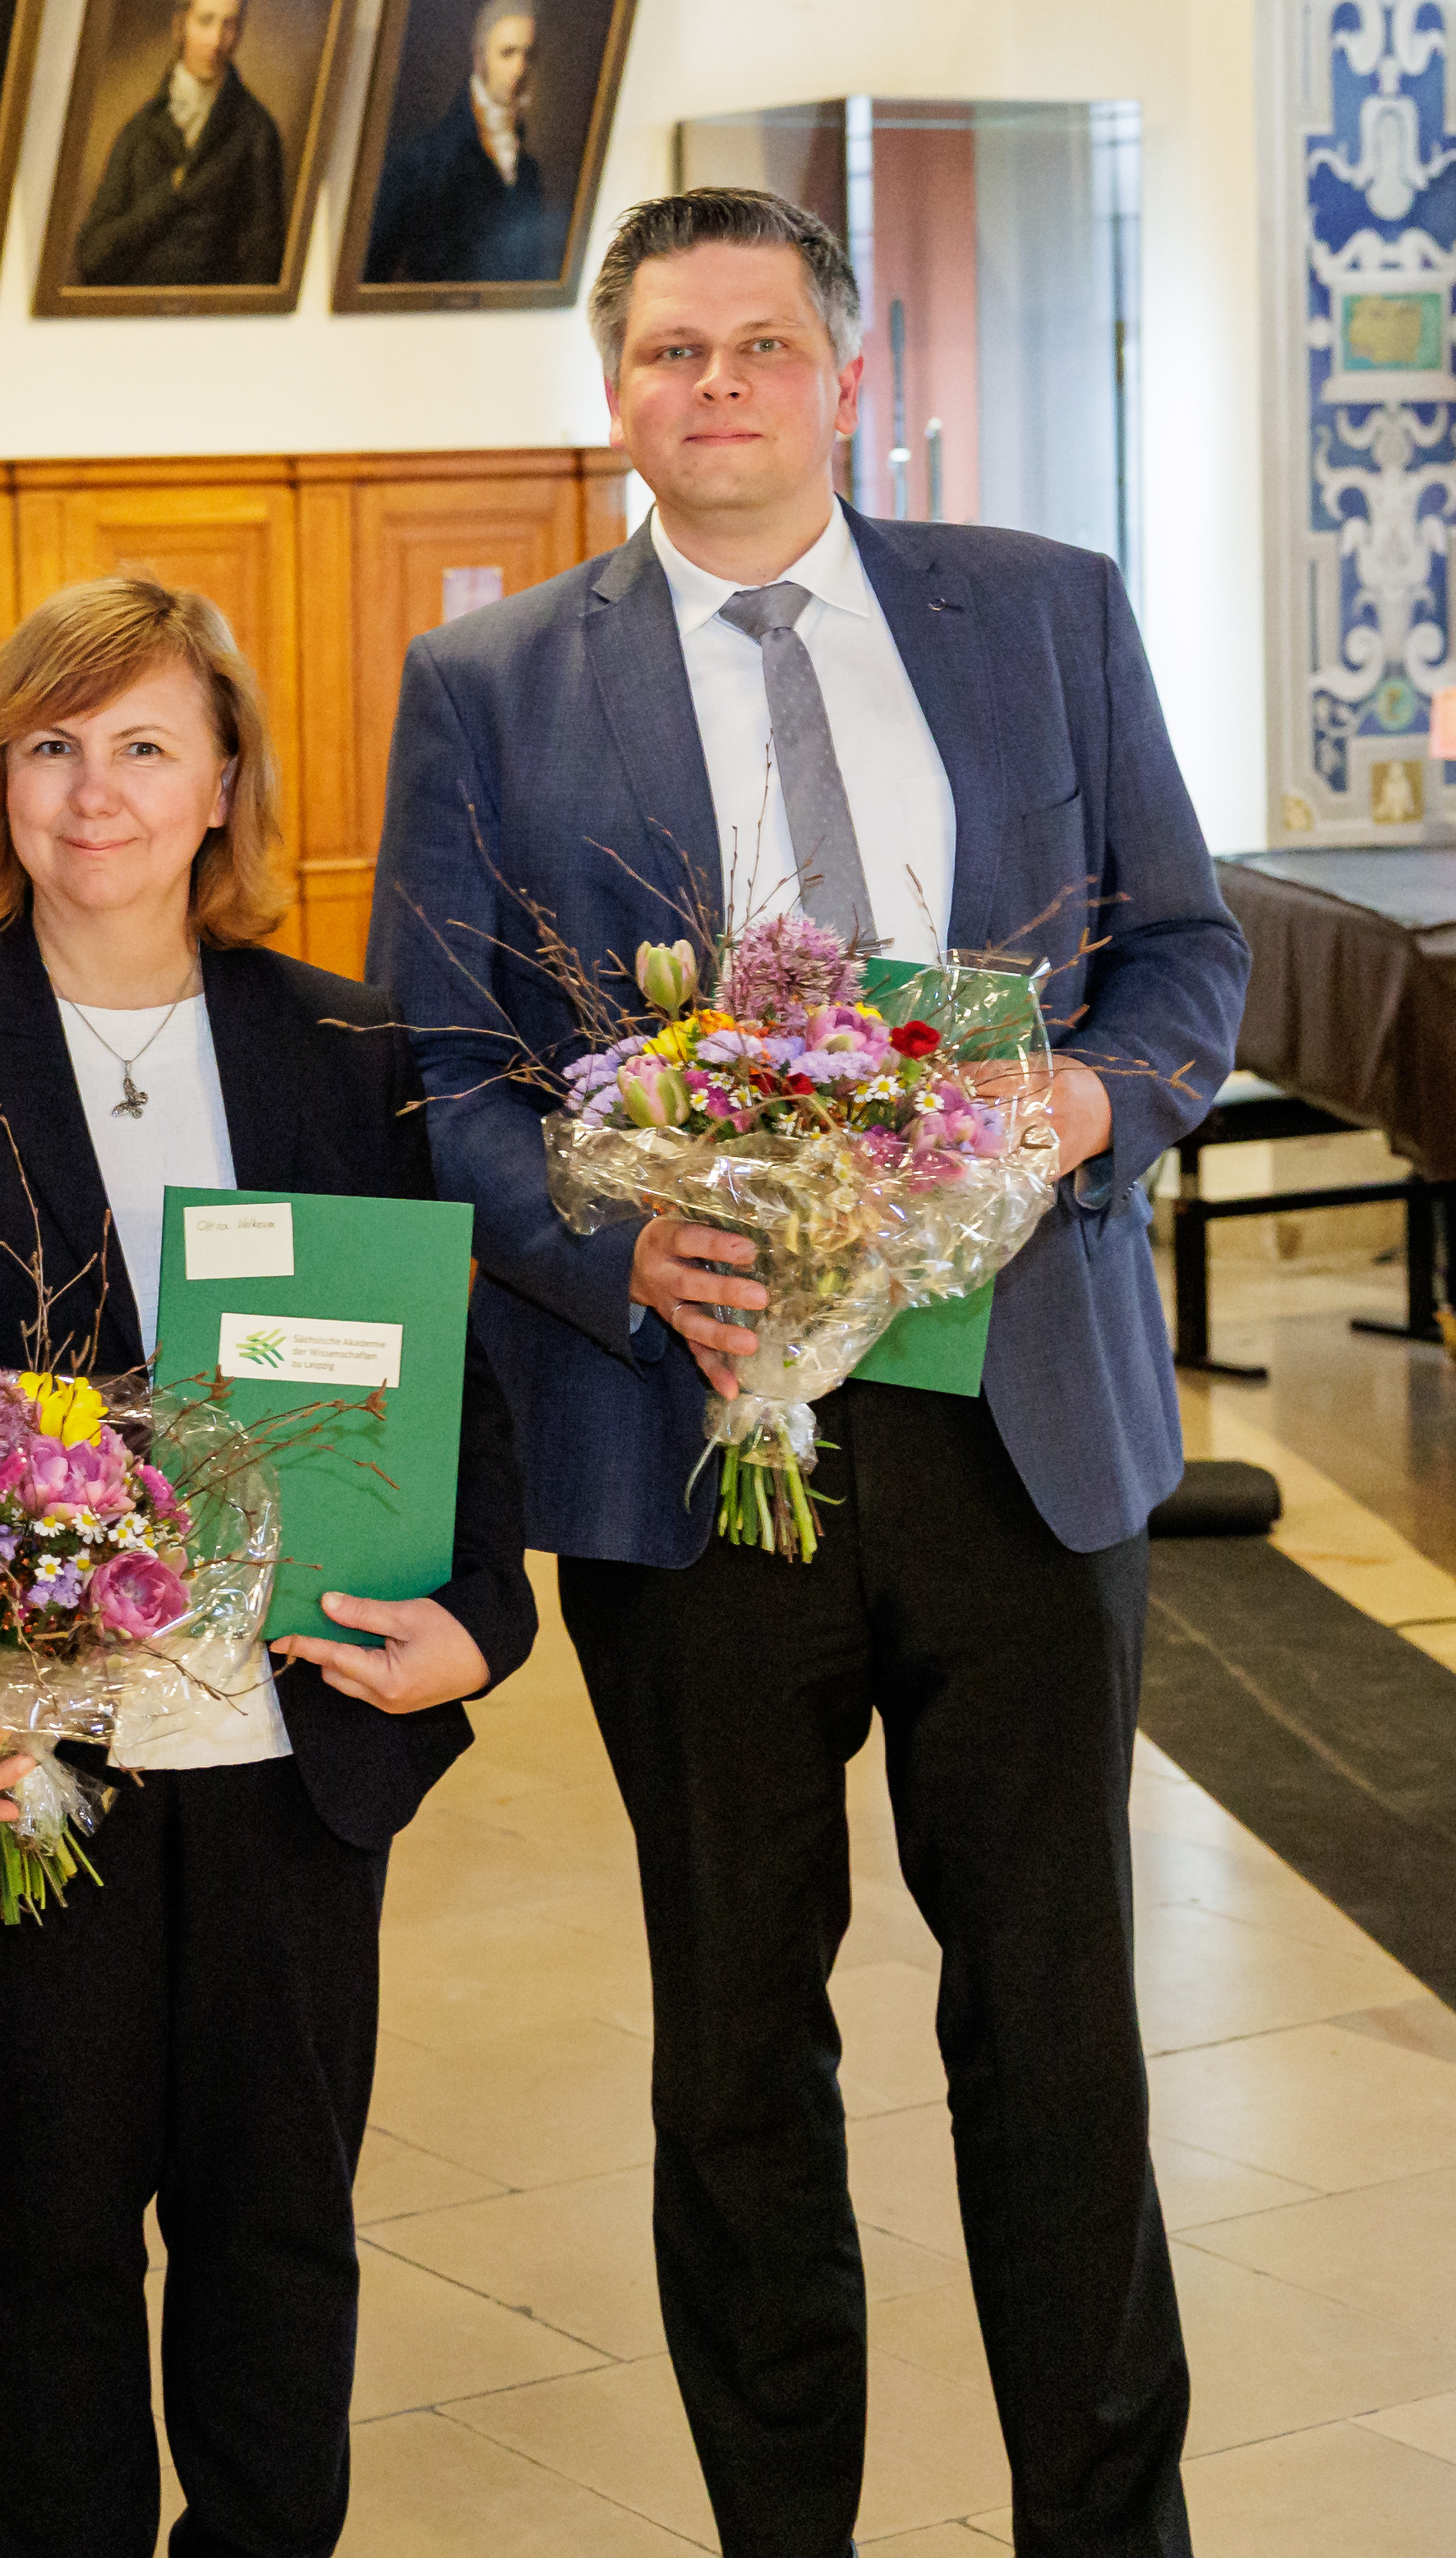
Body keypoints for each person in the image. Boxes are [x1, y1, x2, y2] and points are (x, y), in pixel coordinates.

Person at [368, 187, 1242, 2556]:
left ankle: (1109, 2525)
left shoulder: (1045, 612)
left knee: (1054, 2027)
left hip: (1016, 1424)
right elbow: (443, 1074)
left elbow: (1186, 957)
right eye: (671, 350)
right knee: (740, 2046)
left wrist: (1081, 1109)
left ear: (846, 376)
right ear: (618, 390)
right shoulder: (491, 684)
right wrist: (609, 1243)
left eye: (765, 343)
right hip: (693, 1447)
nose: (719, 385)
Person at [0, 575, 534, 2558]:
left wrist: (481, 1615)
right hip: (20, 1762)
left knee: (277, 2221)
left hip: (293, 1742)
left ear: (220, 784)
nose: (90, 792)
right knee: (39, 2237)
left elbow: (442, 1357)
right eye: (48, 745)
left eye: (137, 746)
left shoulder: (344, 1041)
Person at [69, 0, 291, 291]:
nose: (217, 41)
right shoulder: (140, 130)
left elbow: (263, 270)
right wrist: (170, 194)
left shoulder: (257, 131)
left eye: (229, 25)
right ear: (179, 26)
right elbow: (94, 257)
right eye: (205, 21)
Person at [360, 0, 556, 285]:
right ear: (479, 59)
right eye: (507, 53)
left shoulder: (528, 170)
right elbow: (373, 273)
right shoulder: (423, 160)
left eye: (529, 54)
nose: (520, 68)